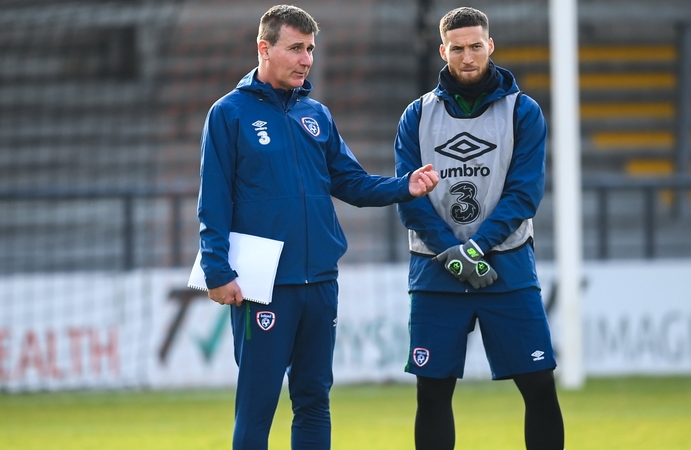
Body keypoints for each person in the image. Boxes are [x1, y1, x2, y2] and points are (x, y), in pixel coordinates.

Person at [196, 5, 439, 450]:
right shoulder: (228, 114)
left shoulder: (317, 115)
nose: (306, 59)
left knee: (313, 401)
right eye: (295, 49)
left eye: (310, 49)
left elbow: (351, 182)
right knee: (257, 405)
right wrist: (216, 270)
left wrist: (405, 185)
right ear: (263, 48)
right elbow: (213, 199)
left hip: (320, 281)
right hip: (263, 285)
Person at [394, 6, 564, 450]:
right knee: (431, 393)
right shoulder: (416, 115)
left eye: (475, 46)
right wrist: (451, 251)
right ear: (442, 51)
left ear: (490, 46)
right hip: (434, 268)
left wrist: (475, 249)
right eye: (457, 48)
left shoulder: (523, 112)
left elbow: (525, 194)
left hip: (506, 265)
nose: (467, 57)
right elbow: (409, 197)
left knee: (539, 385)